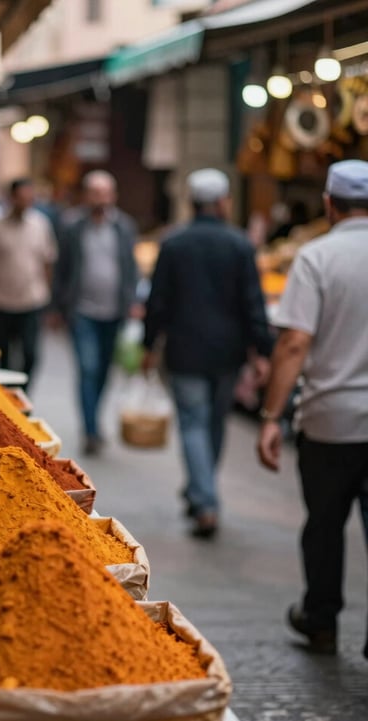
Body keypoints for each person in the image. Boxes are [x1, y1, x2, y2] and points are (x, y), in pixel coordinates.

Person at [257, 159, 368, 659]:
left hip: (330, 422)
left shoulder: (315, 257)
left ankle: (321, 619)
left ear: (329, 204)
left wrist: (271, 417)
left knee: (324, 525)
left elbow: (295, 343)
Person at [143, 168, 273, 539]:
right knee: (213, 423)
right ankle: (204, 494)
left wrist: (149, 345)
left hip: (185, 350)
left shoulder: (173, 244)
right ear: (220, 202)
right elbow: (254, 303)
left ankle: (203, 497)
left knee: (194, 423)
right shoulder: (240, 245)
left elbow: (158, 302)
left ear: (192, 202)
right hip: (227, 353)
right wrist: (261, 349)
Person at [52, 170, 139, 456]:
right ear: (86, 195)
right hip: (82, 310)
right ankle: (90, 430)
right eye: (94, 193)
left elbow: (130, 266)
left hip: (114, 311)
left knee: (103, 371)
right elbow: (61, 268)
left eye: (105, 193)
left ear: (113, 196)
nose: (100, 199)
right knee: (88, 368)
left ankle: (95, 419)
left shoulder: (125, 227)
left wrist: (133, 300)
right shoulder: (73, 227)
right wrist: (57, 306)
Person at [0, 178, 56, 391]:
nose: (25, 203)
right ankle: (7, 396)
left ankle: (23, 392)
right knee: (5, 354)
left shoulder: (41, 224)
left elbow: (47, 262)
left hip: (32, 299)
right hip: (2, 300)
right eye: (21, 198)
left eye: (29, 198)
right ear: (12, 198)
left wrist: (49, 297)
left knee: (30, 353)